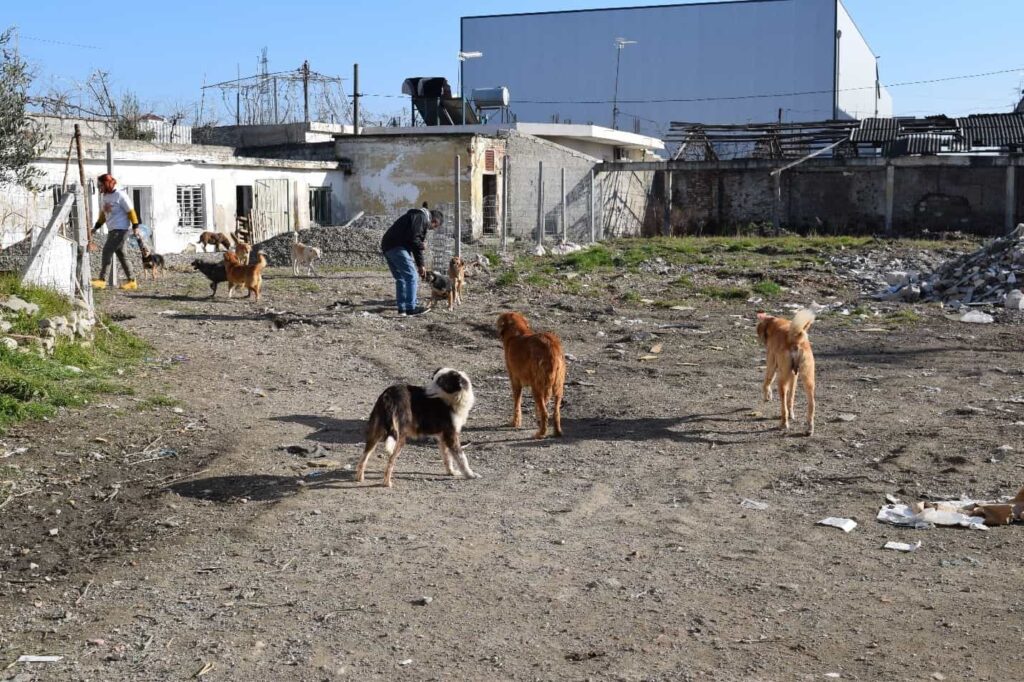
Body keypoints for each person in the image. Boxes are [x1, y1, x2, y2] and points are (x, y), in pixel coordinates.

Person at [380, 206, 443, 316]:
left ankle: (402, 309)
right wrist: (422, 246)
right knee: (412, 276)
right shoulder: (421, 218)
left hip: (388, 245)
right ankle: (411, 308)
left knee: (401, 278)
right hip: (397, 246)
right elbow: (415, 241)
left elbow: (414, 243)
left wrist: (420, 265)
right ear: (434, 221)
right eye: (434, 227)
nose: (430, 229)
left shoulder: (415, 216)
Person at [90, 173, 141, 290]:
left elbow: (131, 211)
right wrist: (95, 227)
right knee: (123, 256)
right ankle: (132, 281)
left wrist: (135, 226)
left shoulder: (120, 195)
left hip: (121, 229)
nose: (99, 188)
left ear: (107, 184)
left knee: (107, 251)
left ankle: (102, 280)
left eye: (100, 185)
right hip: (113, 229)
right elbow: (104, 215)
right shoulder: (106, 197)